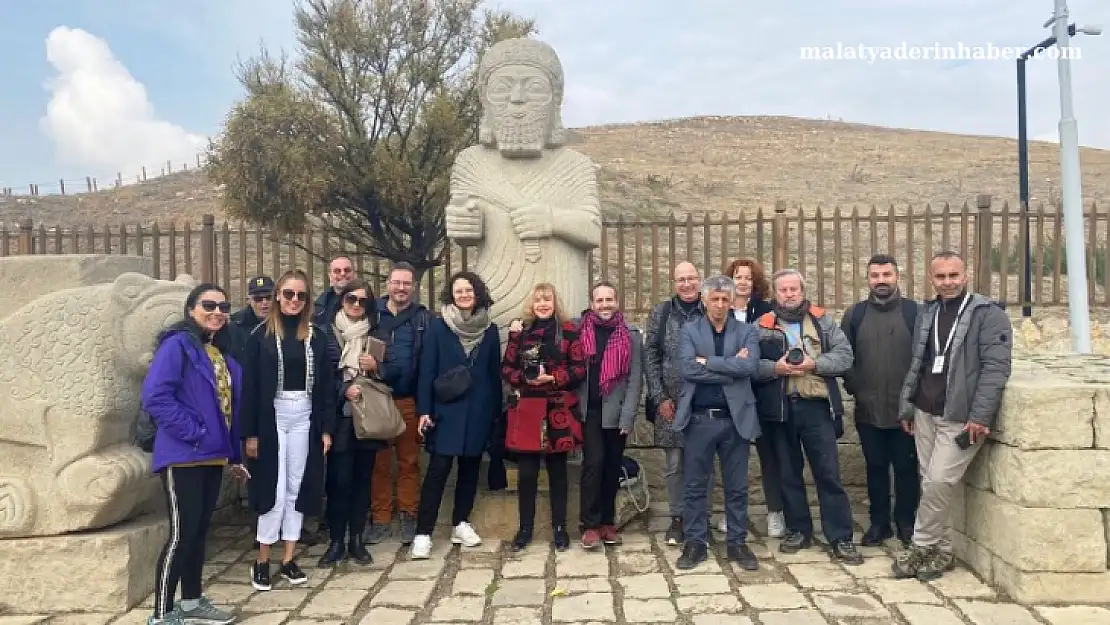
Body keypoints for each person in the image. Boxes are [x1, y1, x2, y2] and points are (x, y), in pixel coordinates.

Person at [893, 251, 1011, 581]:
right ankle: (942, 552)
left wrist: (981, 415)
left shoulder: (989, 315)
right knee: (931, 483)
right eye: (940, 277)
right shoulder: (928, 312)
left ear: (965, 275)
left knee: (939, 480)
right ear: (932, 279)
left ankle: (921, 545)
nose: (947, 282)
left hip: (961, 416)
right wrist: (908, 405)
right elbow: (918, 363)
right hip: (925, 412)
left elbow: (996, 369)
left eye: (953, 275)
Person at [141, 283, 247, 625]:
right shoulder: (177, 346)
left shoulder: (218, 354)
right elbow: (156, 396)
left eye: (223, 306)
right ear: (191, 309)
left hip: (212, 456)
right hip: (183, 455)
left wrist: (232, 455)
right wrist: (194, 432)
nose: (218, 311)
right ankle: (161, 614)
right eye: (209, 304)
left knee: (199, 533)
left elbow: (226, 409)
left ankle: (191, 602)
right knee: (181, 534)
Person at [754, 269, 863, 565]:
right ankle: (798, 530)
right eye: (783, 290)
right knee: (788, 474)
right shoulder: (761, 326)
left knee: (828, 473)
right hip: (779, 409)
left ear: (802, 291)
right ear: (775, 294)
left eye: (794, 289)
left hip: (816, 407)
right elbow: (750, 365)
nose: (789, 295)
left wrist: (815, 363)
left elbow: (845, 356)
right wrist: (775, 369)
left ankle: (840, 537)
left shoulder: (822, 321)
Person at [241, 270, 336, 591]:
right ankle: (262, 559)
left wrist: (326, 429)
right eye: (289, 294)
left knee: (297, 486)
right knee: (274, 487)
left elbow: (325, 388)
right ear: (278, 297)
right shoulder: (259, 336)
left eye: (301, 295)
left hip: (305, 414)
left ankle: (289, 557)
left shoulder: (318, 337)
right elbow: (250, 389)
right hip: (272, 415)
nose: (294, 300)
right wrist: (250, 433)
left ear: (308, 300)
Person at [409, 271, 502, 559]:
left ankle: (460, 522)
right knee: (438, 471)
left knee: (470, 469)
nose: (464, 295)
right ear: (452, 295)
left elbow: (493, 374)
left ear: (478, 293)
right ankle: (423, 533)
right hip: (446, 410)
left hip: (477, 409)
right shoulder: (439, 327)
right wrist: (424, 409)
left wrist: (494, 413)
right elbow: (427, 370)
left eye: (469, 290)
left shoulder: (489, 330)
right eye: (459, 291)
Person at [672, 276, 762, 571]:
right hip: (700, 420)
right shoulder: (690, 330)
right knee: (695, 485)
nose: (720, 305)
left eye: (726, 299)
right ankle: (695, 542)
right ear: (705, 300)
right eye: (715, 299)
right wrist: (729, 368)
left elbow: (749, 367)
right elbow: (686, 368)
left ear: (733, 301)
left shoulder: (747, 331)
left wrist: (707, 362)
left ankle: (737, 542)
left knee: (737, 486)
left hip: (735, 420)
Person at [841, 254, 920, 547]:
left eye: (886, 274)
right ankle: (879, 523)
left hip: (906, 410)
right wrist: (857, 390)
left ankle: (906, 523)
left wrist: (913, 401)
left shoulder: (915, 312)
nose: (881, 280)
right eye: (875, 275)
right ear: (868, 279)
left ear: (897, 276)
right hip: (868, 409)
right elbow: (844, 357)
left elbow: (923, 358)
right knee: (874, 467)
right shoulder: (855, 315)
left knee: (906, 468)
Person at [502, 283, 587, 552]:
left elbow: (580, 368)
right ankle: (525, 528)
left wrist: (554, 378)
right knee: (527, 473)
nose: (542, 304)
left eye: (547, 299)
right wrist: (525, 379)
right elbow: (506, 369)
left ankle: (560, 528)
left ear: (555, 302)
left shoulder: (569, 331)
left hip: (557, 409)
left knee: (557, 471)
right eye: (538, 299)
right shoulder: (521, 332)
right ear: (532, 304)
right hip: (528, 407)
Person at [318, 280, 388, 568]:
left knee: (362, 480)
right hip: (339, 416)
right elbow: (319, 376)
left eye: (363, 301)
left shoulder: (377, 331)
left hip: (367, 415)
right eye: (351, 299)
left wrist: (378, 367)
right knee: (338, 481)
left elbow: (393, 369)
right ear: (342, 301)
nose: (357, 305)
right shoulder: (325, 331)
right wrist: (342, 389)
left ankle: (357, 539)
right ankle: (336, 540)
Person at [367, 262, 432, 546]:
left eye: (406, 283)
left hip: (408, 399)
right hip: (377, 397)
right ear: (388, 284)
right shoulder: (371, 314)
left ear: (414, 287)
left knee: (408, 461)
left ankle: (408, 514)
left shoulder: (423, 319)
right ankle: (381, 517)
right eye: (396, 283)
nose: (401, 288)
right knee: (379, 463)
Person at [576, 281, 643, 549]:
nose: (605, 305)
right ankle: (589, 525)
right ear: (592, 304)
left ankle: (607, 521)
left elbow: (636, 377)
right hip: (589, 410)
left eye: (609, 300)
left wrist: (628, 416)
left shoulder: (631, 334)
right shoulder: (579, 329)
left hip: (616, 412)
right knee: (594, 463)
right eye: (599, 300)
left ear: (617, 302)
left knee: (612, 466)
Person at [643, 261, 705, 546]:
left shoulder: (711, 310)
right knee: (675, 463)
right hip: (671, 402)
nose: (687, 284)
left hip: (705, 400)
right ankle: (678, 518)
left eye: (691, 278)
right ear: (674, 283)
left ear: (700, 280)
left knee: (702, 461)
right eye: (681, 279)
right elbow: (651, 356)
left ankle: (699, 517)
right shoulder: (663, 313)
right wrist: (660, 397)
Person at [720, 257, 783, 539]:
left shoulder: (768, 311)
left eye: (747, 277)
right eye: (737, 276)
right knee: (734, 457)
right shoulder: (719, 310)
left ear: (755, 282)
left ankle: (775, 513)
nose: (742, 282)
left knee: (770, 455)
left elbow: (772, 350)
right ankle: (735, 514)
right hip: (731, 394)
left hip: (764, 392)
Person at [229, 276, 273, 360]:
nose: (264, 303)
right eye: (258, 299)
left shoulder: (283, 323)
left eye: (268, 297)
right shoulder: (235, 327)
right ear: (250, 301)